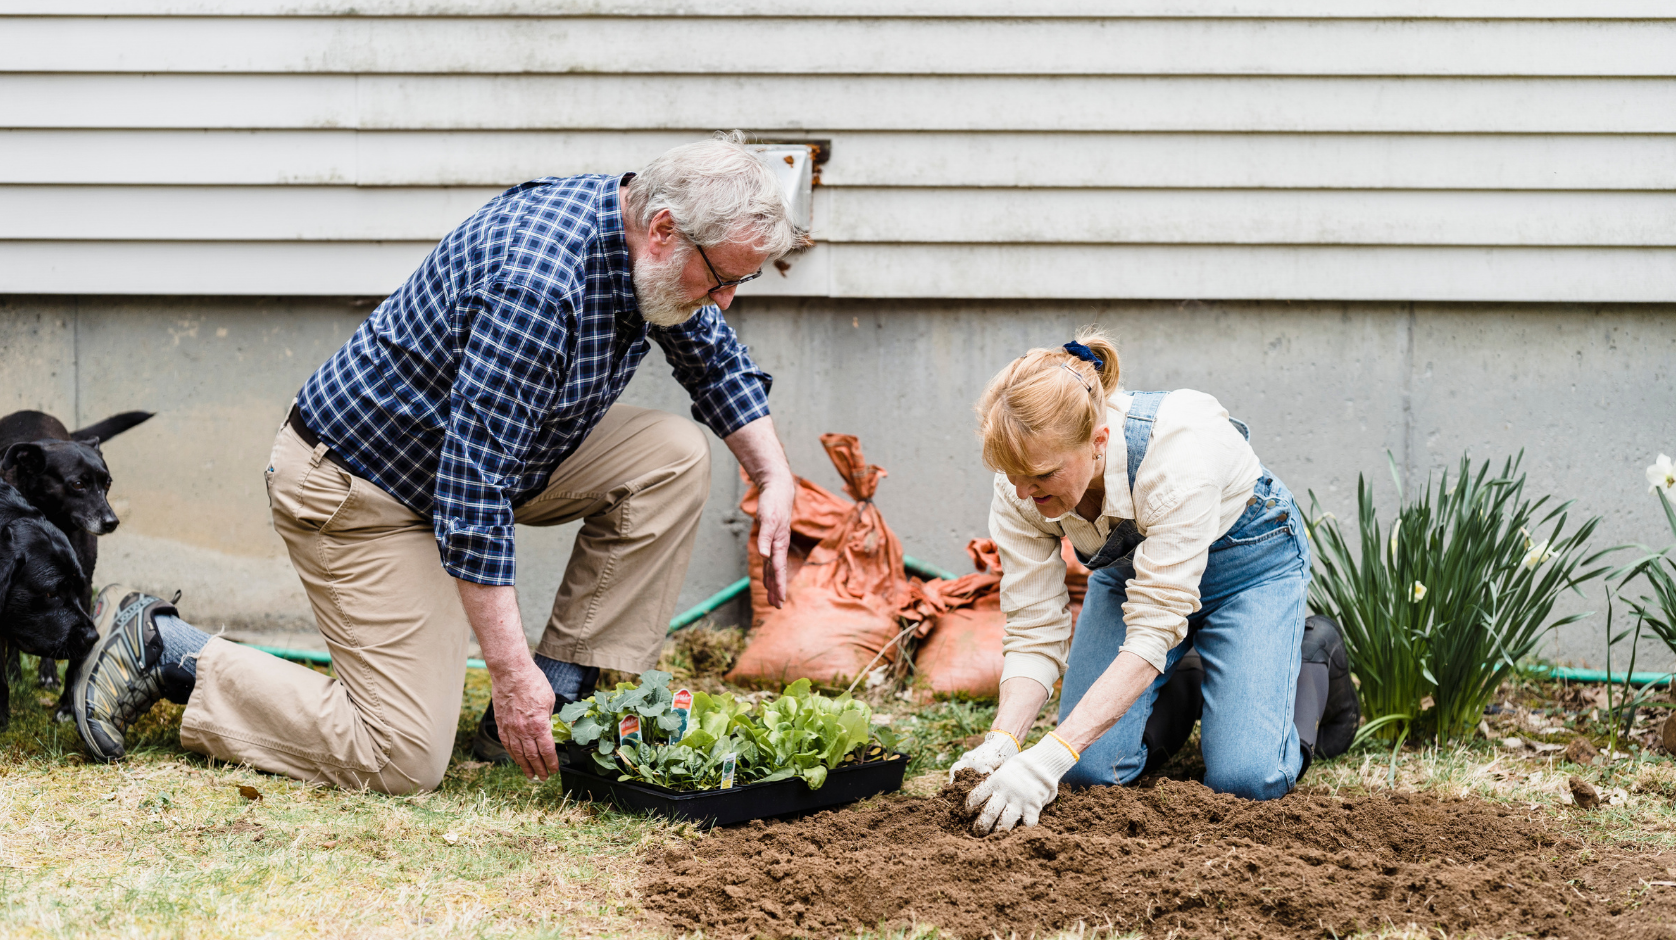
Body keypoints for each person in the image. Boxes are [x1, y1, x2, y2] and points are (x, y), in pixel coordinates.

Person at [69, 133, 805, 794]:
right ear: (663, 230)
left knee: (670, 457)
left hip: (483, 457)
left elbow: (710, 355)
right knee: (402, 756)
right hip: (362, 493)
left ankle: (565, 696)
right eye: (720, 280)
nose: (726, 301)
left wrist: (773, 476)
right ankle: (169, 649)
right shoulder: (538, 286)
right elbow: (472, 493)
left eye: (741, 282)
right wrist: (509, 675)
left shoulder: (643, 229)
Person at [949, 328, 1355, 833]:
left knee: (1248, 779)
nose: (1024, 493)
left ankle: (1313, 655)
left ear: (1097, 443)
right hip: (1135, 581)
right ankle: (1185, 678)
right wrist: (1004, 742)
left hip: (1249, 567)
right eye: (1013, 475)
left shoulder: (1177, 455)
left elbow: (1151, 633)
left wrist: (1045, 758)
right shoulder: (1021, 483)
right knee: (1087, 773)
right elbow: (1034, 629)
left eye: (1043, 476)